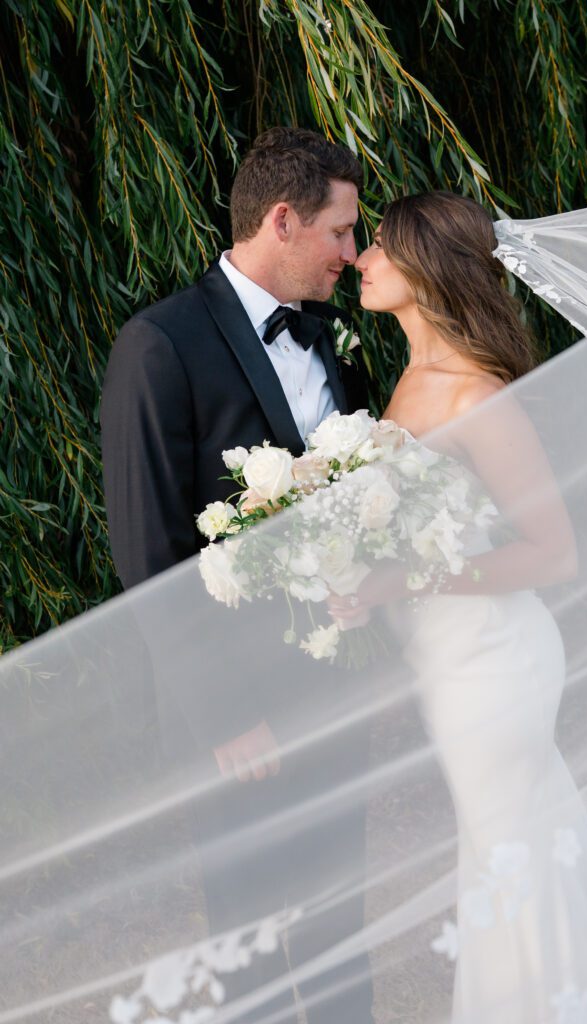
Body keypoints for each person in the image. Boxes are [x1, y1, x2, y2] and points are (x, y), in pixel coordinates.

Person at [326, 191, 587, 1022]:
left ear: (422, 270)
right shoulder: (411, 376)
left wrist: (398, 583)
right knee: (518, 848)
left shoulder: (474, 397)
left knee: (503, 853)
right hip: (445, 658)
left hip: (495, 662)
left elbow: (550, 553)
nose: (362, 263)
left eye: (378, 248)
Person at [100, 127, 376, 1024]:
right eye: (340, 232)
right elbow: (149, 553)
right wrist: (224, 715)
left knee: (342, 924)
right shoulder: (160, 344)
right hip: (236, 712)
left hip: (333, 684)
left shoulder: (324, 336)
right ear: (283, 220)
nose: (353, 253)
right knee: (250, 935)